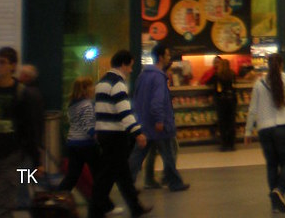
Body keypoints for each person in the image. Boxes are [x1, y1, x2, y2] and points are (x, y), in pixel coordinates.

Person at [0, 46, 42, 218]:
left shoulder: (22, 94)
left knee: (3, 206)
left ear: (13, 66)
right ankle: (25, 196)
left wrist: (37, 160)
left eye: (3, 62)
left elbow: (30, 128)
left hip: (11, 157)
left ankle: (26, 197)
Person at [91, 49, 151, 218]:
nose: (131, 70)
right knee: (107, 177)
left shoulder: (101, 82)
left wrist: (97, 128)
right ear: (123, 65)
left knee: (122, 174)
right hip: (115, 135)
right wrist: (137, 132)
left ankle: (136, 207)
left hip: (104, 133)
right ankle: (95, 210)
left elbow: (99, 109)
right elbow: (124, 111)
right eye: (130, 66)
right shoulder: (118, 83)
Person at [129, 44, 189, 192]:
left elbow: (136, 98)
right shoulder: (159, 77)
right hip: (158, 125)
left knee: (138, 155)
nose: (169, 58)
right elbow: (157, 101)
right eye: (167, 55)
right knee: (168, 154)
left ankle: (127, 183)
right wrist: (160, 120)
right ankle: (174, 182)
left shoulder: (142, 75)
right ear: (161, 57)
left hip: (144, 123)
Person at [244, 53, 285, 213]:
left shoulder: (258, 83)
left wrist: (248, 131)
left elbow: (253, 109)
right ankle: (279, 190)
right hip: (283, 126)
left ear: (268, 65)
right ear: (281, 65)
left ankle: (275, 202)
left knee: (271, 165)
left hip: (264, 129)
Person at [58, 77, 105, 198]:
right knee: (99, 175)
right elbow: (88, 126)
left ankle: (56, 198)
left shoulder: (72, 104)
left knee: (72, 176)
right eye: (91, 86)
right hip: (86, 145)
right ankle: (104, 204)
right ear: (85, 89)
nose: (94, 88)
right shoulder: (87, 105)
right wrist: (98, 138)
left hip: (73, 143)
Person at [209, 57, 238, 151]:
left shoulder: (217, 75)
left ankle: (224, 144)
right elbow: (235, 85)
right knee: (231, 123)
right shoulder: (232, 74)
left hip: (221, 101)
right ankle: (232, 144)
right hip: (231, 100)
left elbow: (208, 82)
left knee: (223, 124)